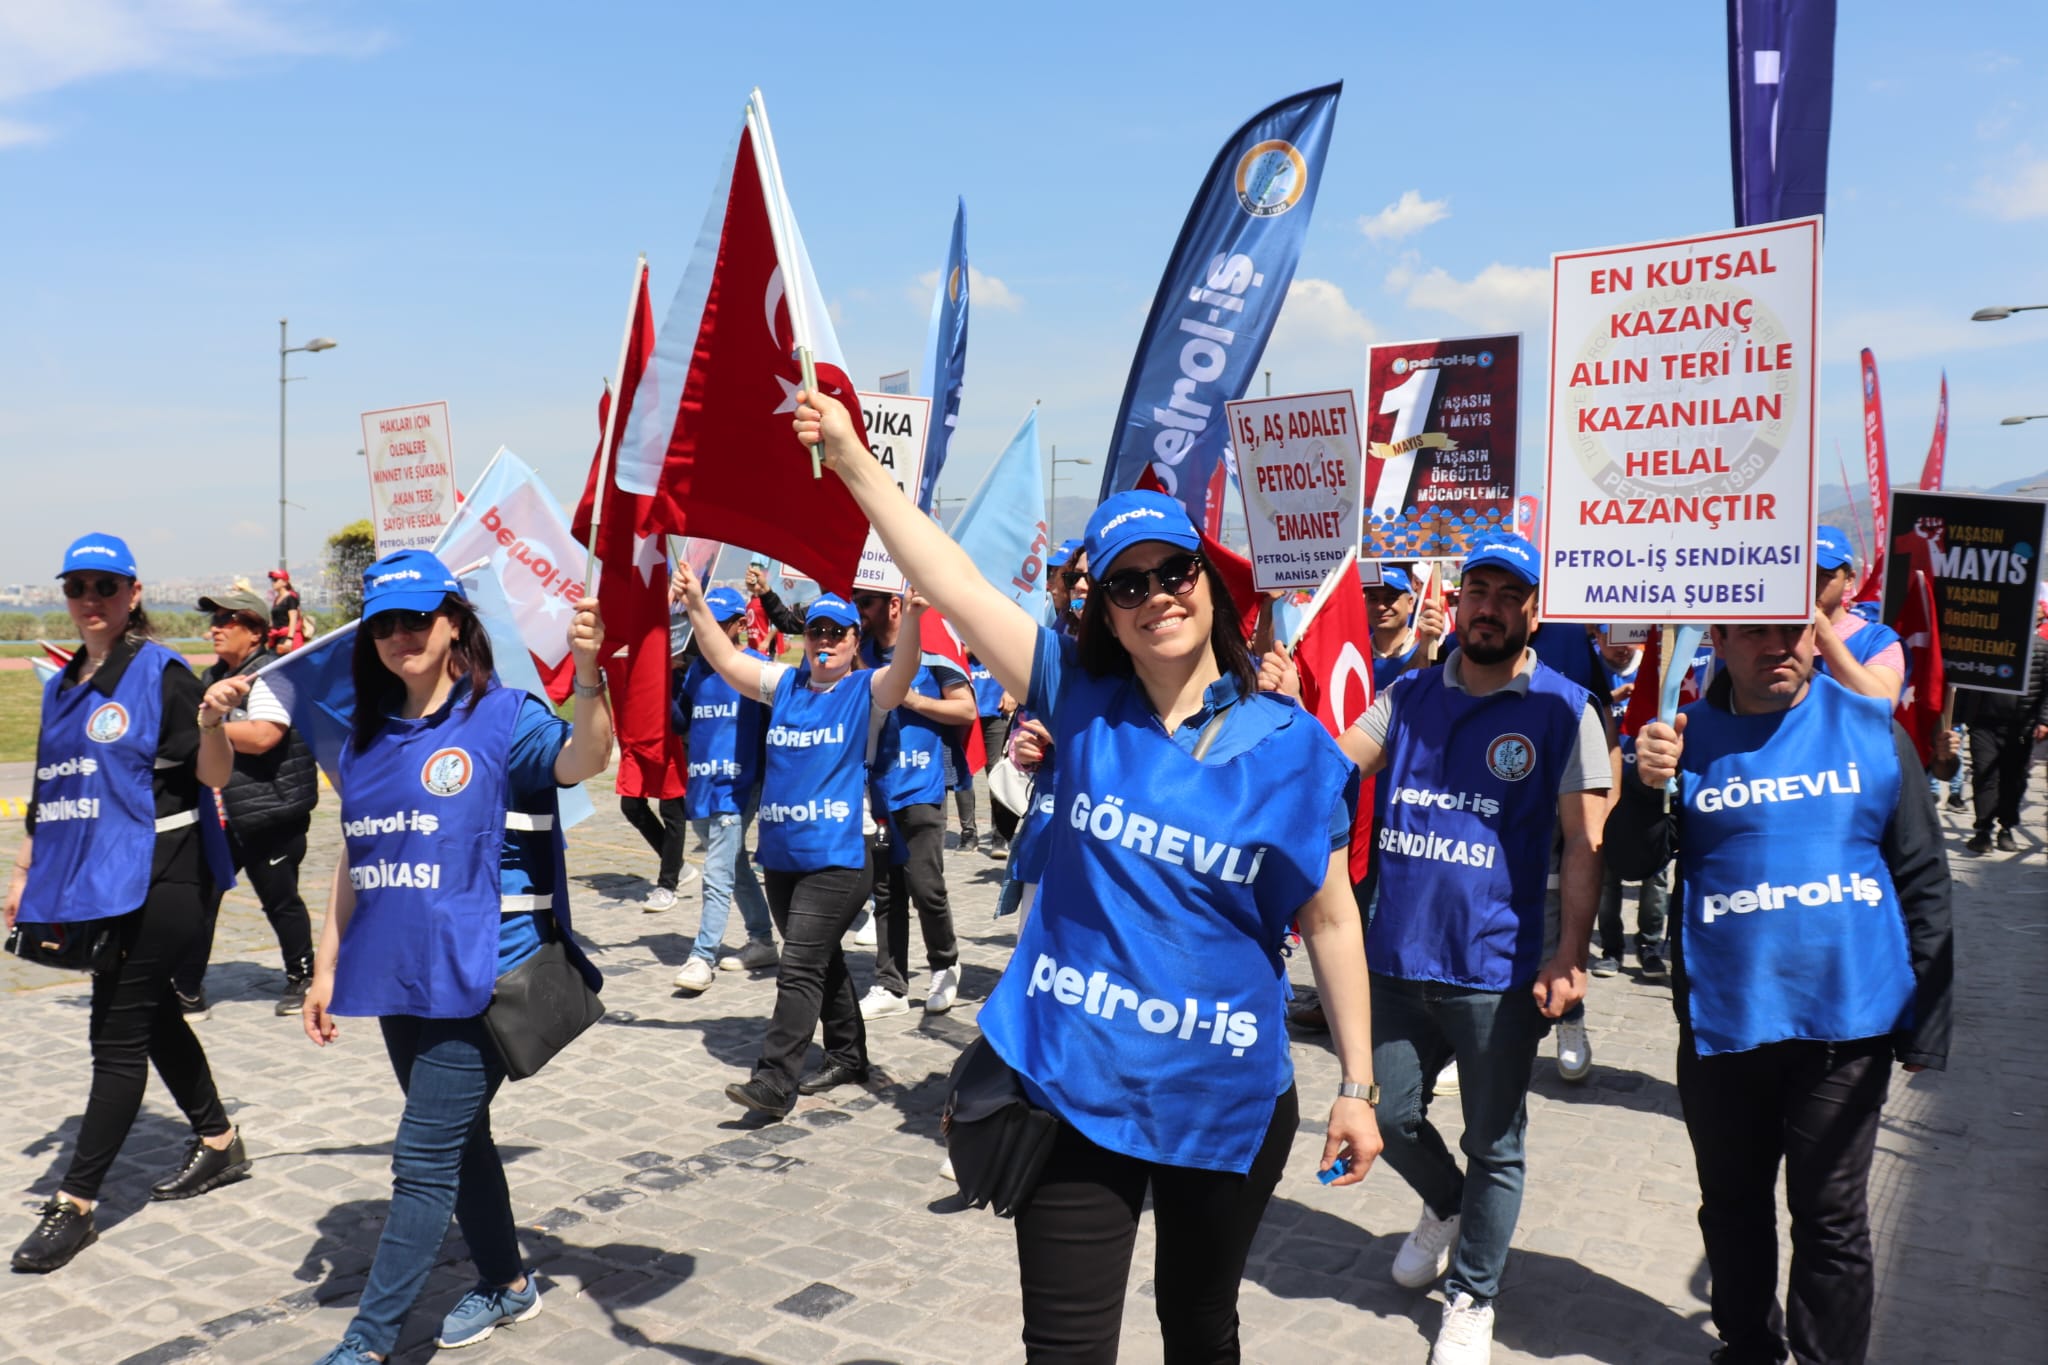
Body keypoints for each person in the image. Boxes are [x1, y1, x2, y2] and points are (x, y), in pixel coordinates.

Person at [797, 390, 1383, 1364]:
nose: (1155, 594)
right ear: (1101, 609)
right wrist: (856, 462)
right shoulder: (1078, 696)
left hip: (1223, 1092)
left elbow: (1328, 925)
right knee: (1064, 1350)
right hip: (1073, 1086)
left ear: (1207, 583)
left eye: (1173, 571)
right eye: (1126, 583)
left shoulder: (1295, 746)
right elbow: (948, 580)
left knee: (1199, 1327)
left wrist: (1356, 1086)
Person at [286, 550, 612, 1364]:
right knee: (462, 1141)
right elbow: (358, 860)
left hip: (484, 976)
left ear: (454, 622)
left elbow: (585, 759)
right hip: (400, 974)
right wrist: (326, 969)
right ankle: (507, 1283)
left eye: (417, 618)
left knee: (422, 1158)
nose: (401, 635)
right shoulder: (363, 742)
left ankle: (367, 1344)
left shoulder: (504, 717)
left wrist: (588, 672)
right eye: (385, 623)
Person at [1613, 616, 1954, 1365]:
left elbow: (1923, 875)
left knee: (1829, 1218)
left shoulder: (1870, 730)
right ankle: (1748, 1347)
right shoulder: (1682, 734)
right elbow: (1633, 860)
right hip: (1724, 1018)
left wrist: (1927, 1020)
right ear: (1719, 642)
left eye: (1793, 630)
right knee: (1732, 1207)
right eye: (1755, 632)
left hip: (1846, 1021)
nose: (1779, 647)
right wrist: (1645, 788)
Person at [1323, 533, 1609, 1364]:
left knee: (1498, 1142)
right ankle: (1449, 1206)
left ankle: (1474, 1295)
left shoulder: (1564, 707)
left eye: (1506, 593)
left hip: (1496, 970)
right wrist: (1273, 703)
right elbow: (1335, 762)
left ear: (1531, 610)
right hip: (1396, 958)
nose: (1487, 605)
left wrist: (1571, 954)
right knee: (1386, 1112)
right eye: (1475, 589)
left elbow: (1584, 846)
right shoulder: (1407, 696)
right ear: (1456, 603)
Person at [8, 534, 245, 1274]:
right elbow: (53, 790)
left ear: (133, 593)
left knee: (114, 1033)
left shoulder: (162, 673)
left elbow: (211, 772)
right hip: (90, 880)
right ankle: (219, 1141)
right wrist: (24, 874)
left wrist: (212, 721)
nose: (90, 600)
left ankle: (76, 1202)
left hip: (164, 876)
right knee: (150, 1016)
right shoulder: (62, 684)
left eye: (105, 586)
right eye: (78, 586)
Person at [672, 573, 924, 1116]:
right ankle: (848, 1053)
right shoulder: (783, 684)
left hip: (843, 854)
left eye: (838, 633)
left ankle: (774, 1080)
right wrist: (695, 605)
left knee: (799, 965)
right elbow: (726, 660)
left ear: (856, 640)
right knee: (820, 957)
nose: (826, 641)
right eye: (816, 632)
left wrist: (915, 621)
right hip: (784, 854)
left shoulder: (867, 690)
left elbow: (902, 675)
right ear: (804, 639)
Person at [176, 585, 321, 1019]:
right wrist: (203, 724)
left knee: (280, 900)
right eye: (213, 621)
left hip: (272, 811)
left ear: (255, 633)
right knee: (201, 897)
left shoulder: (272, 674)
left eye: (227, 621)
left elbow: (264, 736)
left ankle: (303, 975)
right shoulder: (212, 678)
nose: (216, 629)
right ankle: (186, 986)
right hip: (226, 814)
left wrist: (203, 726)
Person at [851, 586, 976, 1017]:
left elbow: (967, 711)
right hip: (878, 792)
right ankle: (891, 985)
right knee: (886, 894)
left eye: (866, 601)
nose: (859, 610)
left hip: (922, 786)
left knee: (926, 888)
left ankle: (945, 964)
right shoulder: (859, 654)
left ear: (893, 605)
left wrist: (916, 700)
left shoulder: (933, 650)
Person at [669, 584, 778, 991]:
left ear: (739, 624)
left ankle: (702, 957)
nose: (706, 628)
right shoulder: (695, 670)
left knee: (716, 872)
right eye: (701, 620)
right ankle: (763, 940)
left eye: (717, 621)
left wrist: (766, 785)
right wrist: (666, 680)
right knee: (733, 865)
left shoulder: (756, 667)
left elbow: (773, 732)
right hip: (701, 786)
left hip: (740, 787)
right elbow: (681, 722)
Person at [1954, 630, 2048, 853]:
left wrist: (2044, 720)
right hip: (1983, 723)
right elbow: (1966, 680)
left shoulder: (2041, 647)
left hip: (2020, 726)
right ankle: (1983, 831)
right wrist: (1956, 718)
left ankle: (2006, 828)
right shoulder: (1981, 643)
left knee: (2013, 779)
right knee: (1984, 774)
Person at [1810, 528, 1904, 705]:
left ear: (1849, 580)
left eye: (1826, 576)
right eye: (1805, 572)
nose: (1813, 584)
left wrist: (1825, 637)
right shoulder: (1772, 633)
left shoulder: (1877, 639)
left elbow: (1882, 702)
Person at [267, 569, 305, 654]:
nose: (273, 582)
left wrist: (290, 639)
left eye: (275, 580)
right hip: (277, 637)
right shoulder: (277, 599)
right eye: (272, 580)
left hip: (287, 637)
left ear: (284, 582)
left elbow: (293, 620)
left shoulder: (291, 598)